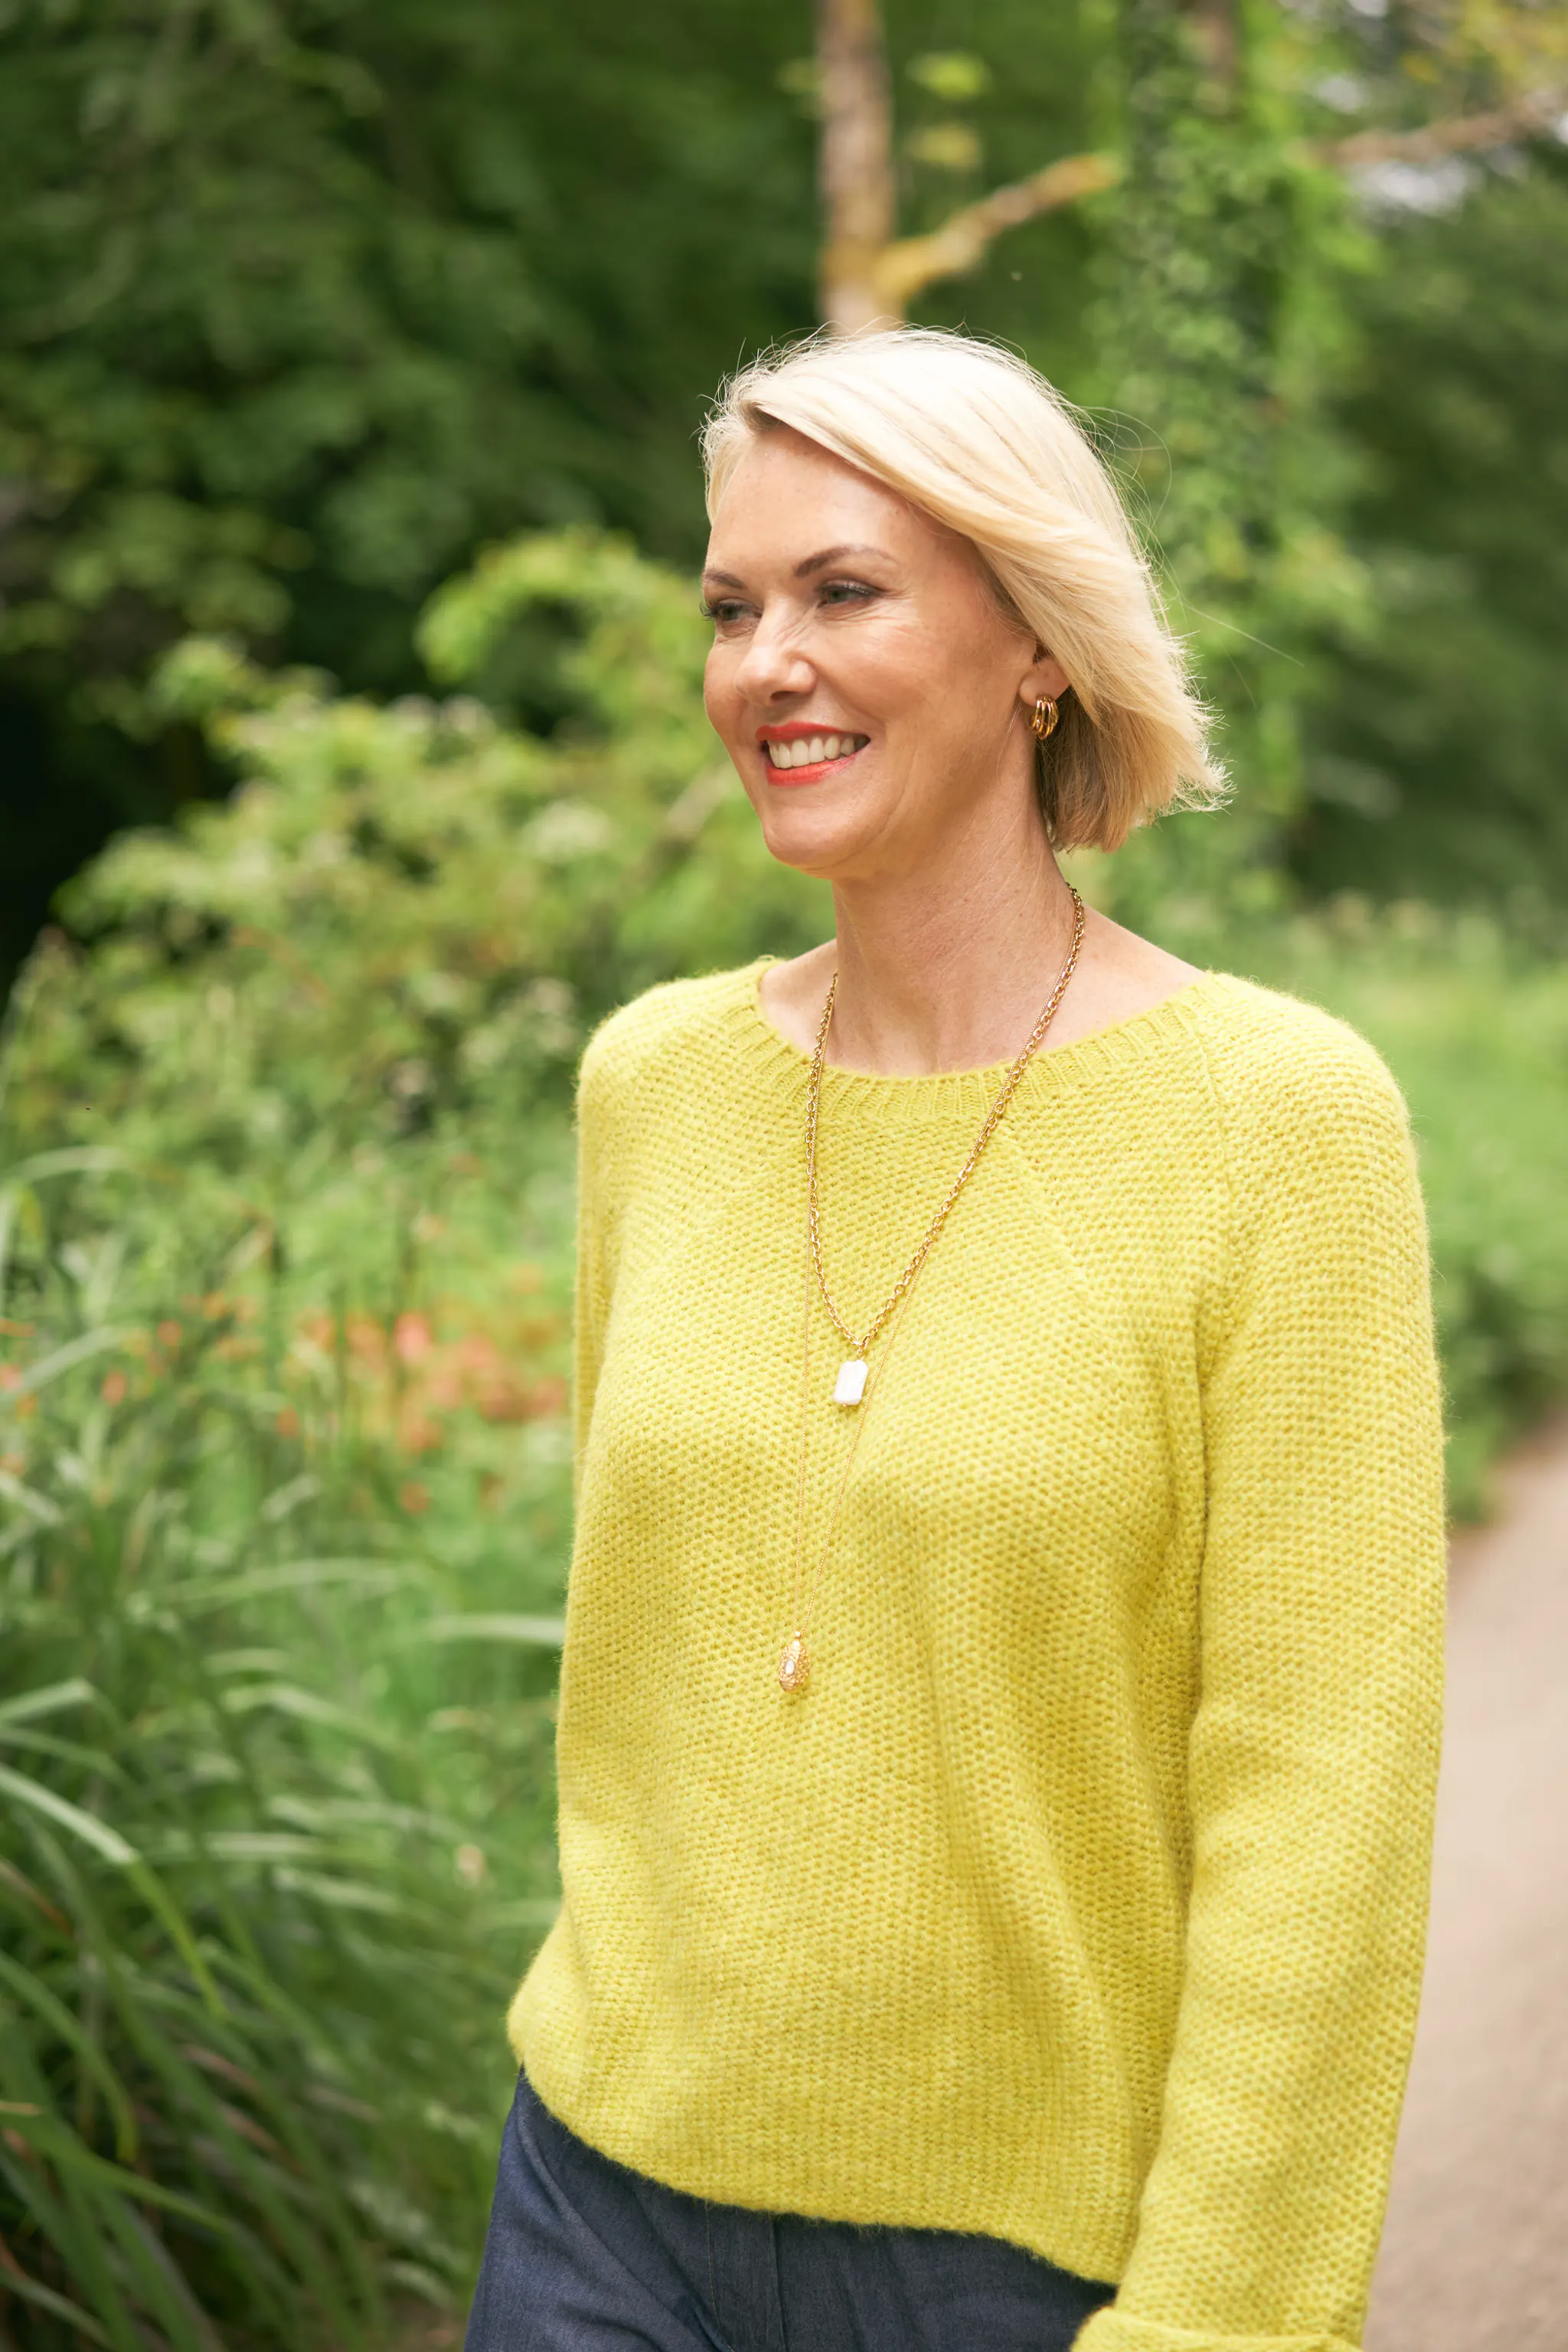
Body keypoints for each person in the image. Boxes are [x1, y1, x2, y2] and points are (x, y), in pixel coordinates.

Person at [464, 328, 1445, 2352]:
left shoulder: (1281, 1124)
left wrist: (1226, 2316)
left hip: (1015, 2264)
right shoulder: (653, 1085)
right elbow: (649, 1672)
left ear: (1037, 646)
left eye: (845, 592)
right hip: (593, 2210)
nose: (768, 664)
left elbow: (1321, 1805)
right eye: (731, 607)